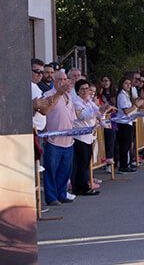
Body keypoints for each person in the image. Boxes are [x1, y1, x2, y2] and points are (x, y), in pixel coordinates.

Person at [72, 79, 113, 196]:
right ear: (78, 91)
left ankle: (84, 186)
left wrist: (103, 110)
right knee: (81, 164)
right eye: (83, 89)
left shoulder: (89, 102)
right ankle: (80, 187)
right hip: (80, 137)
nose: (86, 91)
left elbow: (99, 114)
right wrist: (99, 111)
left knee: (85, 163)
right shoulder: (77, 103)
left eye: (87, 89)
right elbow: (83, 116)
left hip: (89, 136)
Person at [41, 71, 77, 205]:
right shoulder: (48, 95)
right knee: (51, 169)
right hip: (54, 140)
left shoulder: (68, 96)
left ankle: (61, 194)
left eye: (65, 79)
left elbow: (72, 116)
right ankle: (51, 197)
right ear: (54, 81)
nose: (63, 81)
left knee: (65, 170)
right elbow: (44, 112)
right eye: (60, 79)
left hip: (68, 139)